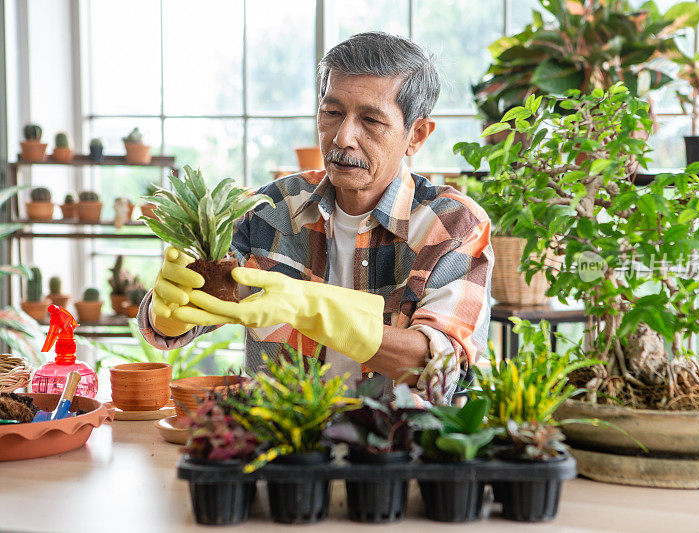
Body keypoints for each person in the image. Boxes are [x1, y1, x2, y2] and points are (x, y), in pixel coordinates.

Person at [138, 31, 493, 404]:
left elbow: (438, 366)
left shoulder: (455, 225)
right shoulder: (269, 209)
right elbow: (199, 299)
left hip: (400, 451)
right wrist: (170, 312)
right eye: (332, 113)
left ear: (417, 135)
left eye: (371, 120)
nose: (342, 138)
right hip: (283, 447)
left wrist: (311, 307)